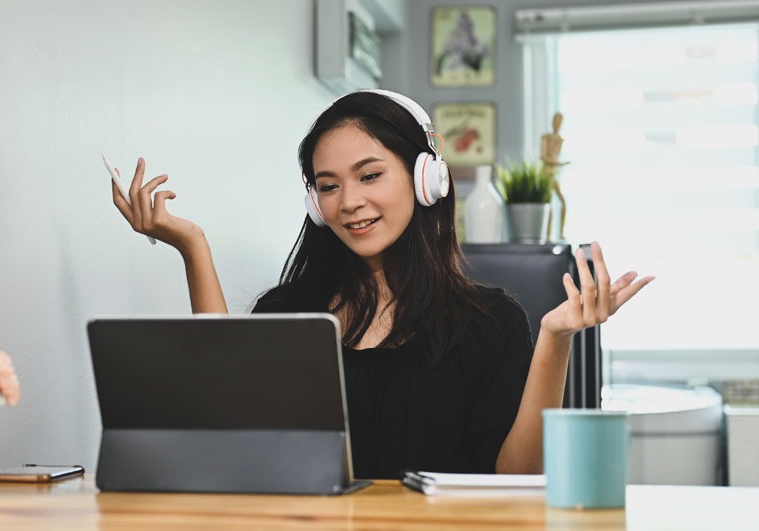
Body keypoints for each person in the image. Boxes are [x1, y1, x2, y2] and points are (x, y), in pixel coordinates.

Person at [108, 90, 654, 479]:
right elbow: (232, 428)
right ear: (314, 204)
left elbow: (517, 479)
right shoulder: (289, 311)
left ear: (425, 179)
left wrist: (556, 338)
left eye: (370, 176)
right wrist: (193, 246)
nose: (349, 202)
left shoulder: (490, 324)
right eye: (329, 186)